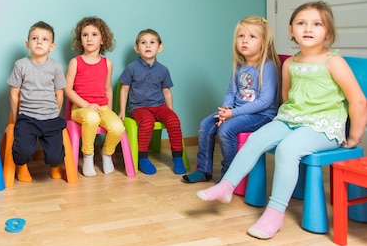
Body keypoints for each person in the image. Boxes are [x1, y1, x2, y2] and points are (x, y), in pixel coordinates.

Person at [196, 1, 367, 239]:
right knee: (256, 138)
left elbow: (358, 100)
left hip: (323, 126)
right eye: (301, 23)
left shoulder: (333, 62)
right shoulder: (289, 63)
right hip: (291, 118)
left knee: (288, 149)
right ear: (290, 30)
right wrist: (287, 121)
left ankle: (274, 214)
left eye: (316, 24)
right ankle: (227, 185)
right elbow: (287, 97)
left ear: (327, 31)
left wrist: (354, 136)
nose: (308, 29)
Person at [182, 17, 281, 183]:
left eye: (252, 37)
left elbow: (265, 101)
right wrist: (226, 109)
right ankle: (203, 170)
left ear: (263, 43)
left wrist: (232, 113)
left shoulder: (268, 67)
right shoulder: (240, 65)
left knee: (226, 130)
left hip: (262, 115)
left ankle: (229, 175)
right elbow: (231, 91)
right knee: (205, 125)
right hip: (236, 111)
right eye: (240, 36)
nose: (244, 41)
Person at [118, 28, 187, 175]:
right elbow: (124, 90)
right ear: (137, 48)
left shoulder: (163, 70)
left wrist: (170, 111)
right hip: (139, 107)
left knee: (174, 121)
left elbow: (167, 92)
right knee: (147, 122)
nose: (148, 46)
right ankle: (142, 157)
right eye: (143, 43)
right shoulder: (131, 68)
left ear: (159, 47)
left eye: (152, 42)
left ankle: (178, 158)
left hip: (159, 106)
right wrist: (122, 111)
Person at [7, 21, 68, 182]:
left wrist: (55, 113)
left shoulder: (56, 67)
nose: (39, 42)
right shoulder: (20, 65)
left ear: (52, 46)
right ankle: (21, 166)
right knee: (23, 150)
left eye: (44, 39)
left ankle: (55, 165)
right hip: (27, 117)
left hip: (51, 117)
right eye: (35, 38)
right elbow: (14, 93)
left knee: (56, 154)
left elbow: (59, 94)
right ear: (28, 44)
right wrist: (16, 117)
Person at [65, 16, 125, 177]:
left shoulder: (107, 63)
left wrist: (110, 113)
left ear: (103, 40)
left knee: (118, 127)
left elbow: (108, 90)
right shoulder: (75, 62)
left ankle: (106, 154)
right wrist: (85, 105)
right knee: (91, 118)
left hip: (102, 107)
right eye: (85, 35)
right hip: (80, 108)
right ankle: (88, 156)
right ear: (80, 40)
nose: (89, 38)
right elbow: (67, 89)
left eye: (94, 34)